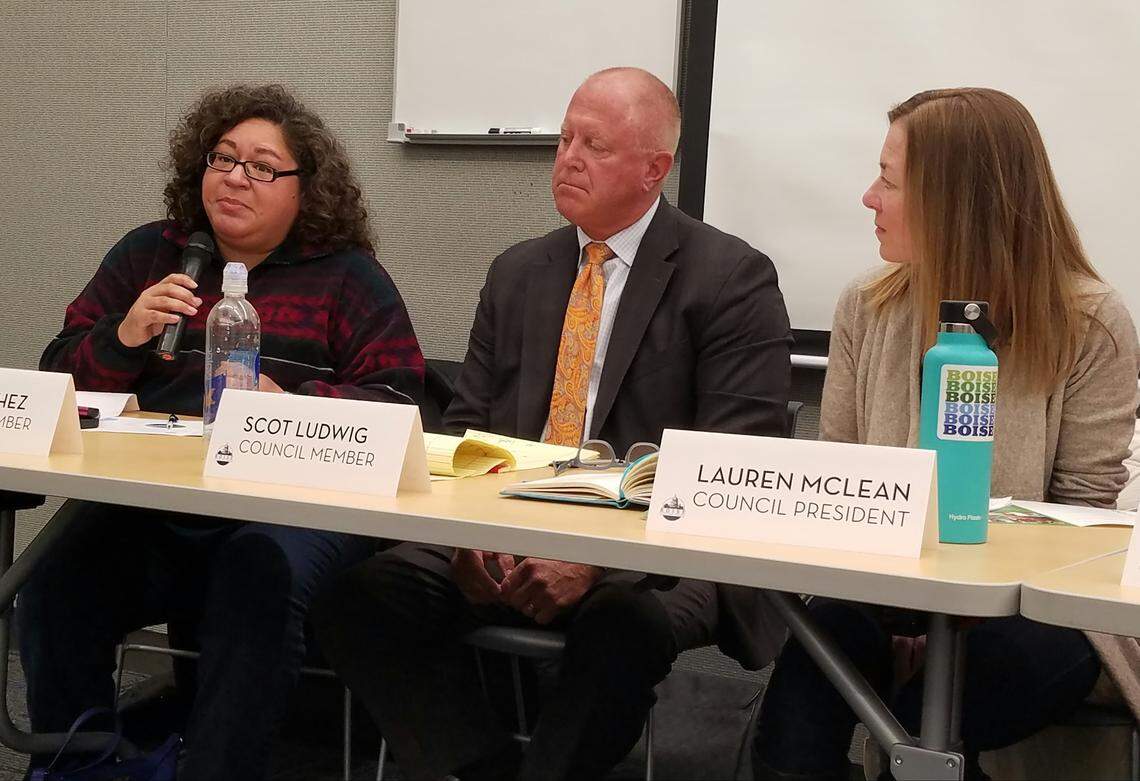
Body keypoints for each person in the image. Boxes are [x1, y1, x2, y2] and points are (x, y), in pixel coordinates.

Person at [311, 66, 792, 780]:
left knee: (621, 626)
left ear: (653, 169)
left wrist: (593, 558)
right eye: (565, 137)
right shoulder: (518, 272)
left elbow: (732, 465)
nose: (567, 157)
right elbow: (465, 432)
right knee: (359, 597)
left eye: (593, 144)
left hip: (652, 553)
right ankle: (480, 766)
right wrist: (468, 539)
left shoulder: (729, 278)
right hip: (504, 530)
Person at [19, 83, 425, 781]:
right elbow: (58, 379)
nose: (235, 176)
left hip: (287, 512)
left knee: (255, 571)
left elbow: (399, 401)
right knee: (54, 581)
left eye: (263, 166)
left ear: (307, 189)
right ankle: (80, 764)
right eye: (223, 158)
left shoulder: (348, 277)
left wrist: (289, 403)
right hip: (157, 504)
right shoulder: (153, 254)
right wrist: (123, 336)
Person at [752, 88, 1140, 781]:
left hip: (1032, 609)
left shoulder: (1093, 321)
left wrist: (953, 614)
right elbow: (838, 478)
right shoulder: (864, 306)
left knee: (922, 722)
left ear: (954, 199)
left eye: (889, 181)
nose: (868, 197)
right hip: (882, 587)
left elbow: (1082, 523)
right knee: (790, 739)